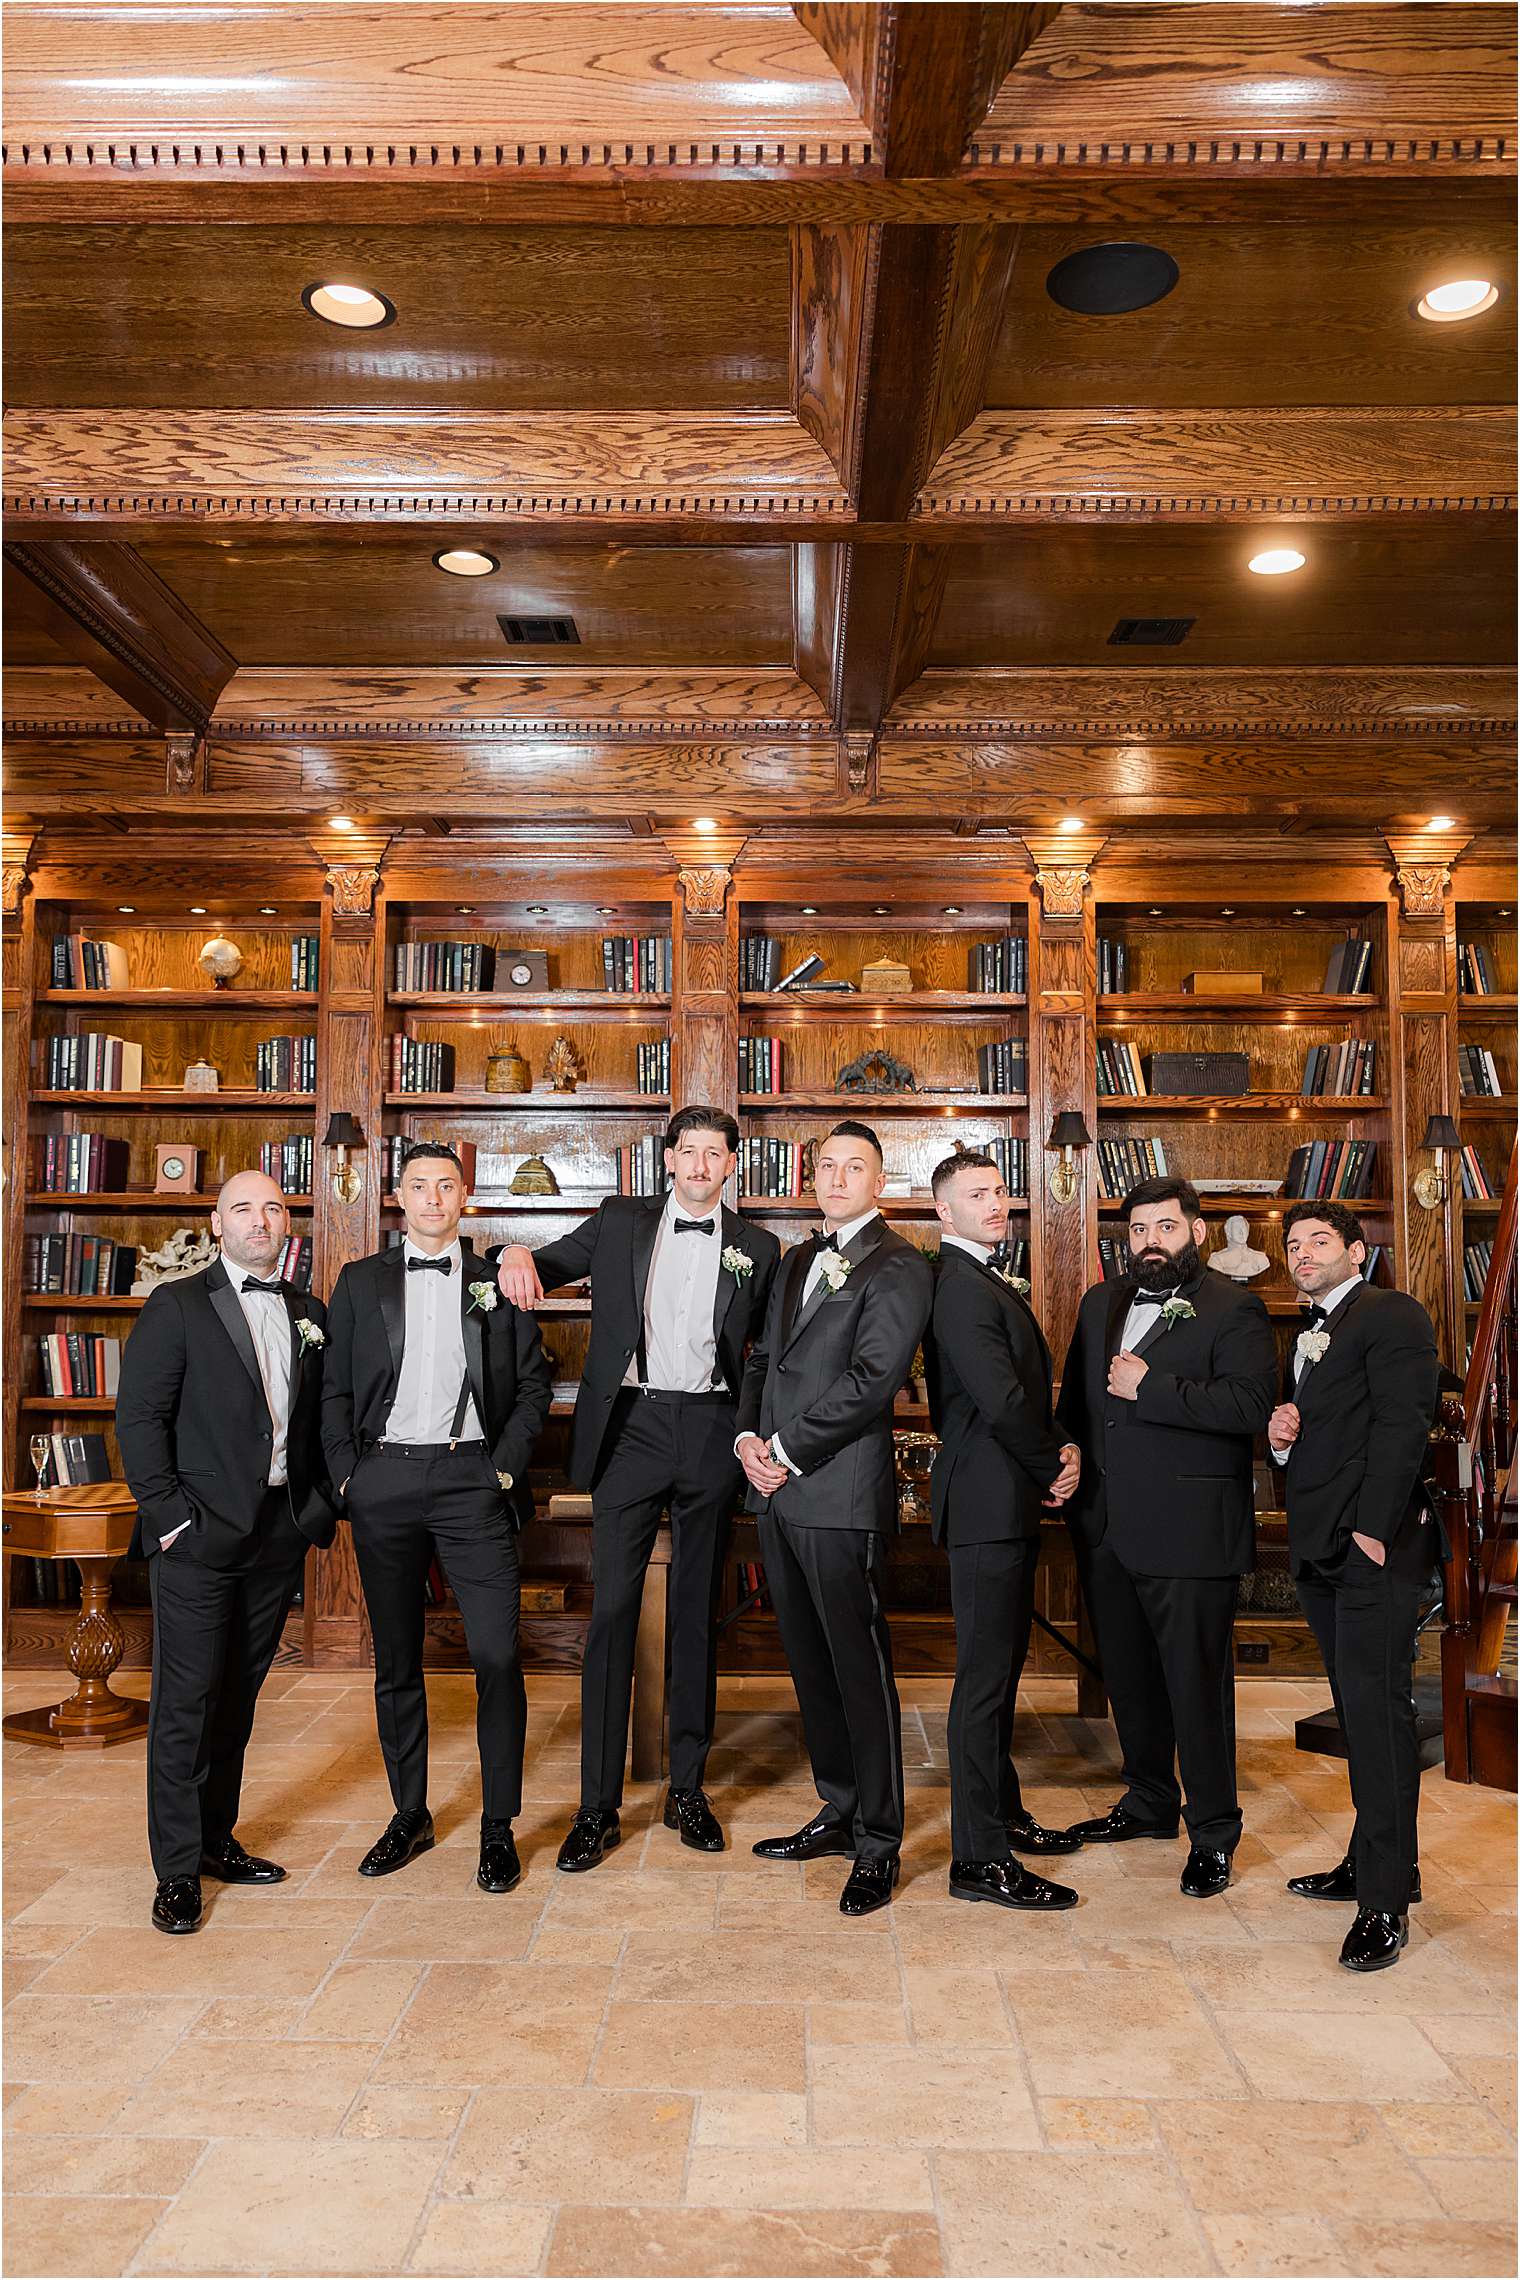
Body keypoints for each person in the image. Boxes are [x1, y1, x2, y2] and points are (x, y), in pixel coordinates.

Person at [494, 1106, 779, 1870]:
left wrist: (760, 1433)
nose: (698, 1166)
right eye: (687, 1152)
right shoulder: (620, 1220)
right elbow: (542, 1266)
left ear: (730, 1166)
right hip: (632, 1429)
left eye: (713, 1154)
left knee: (695, 1611)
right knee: (612, 1613)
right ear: (667, 1160)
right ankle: (597, 1805)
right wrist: (512, 1248)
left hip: (715, 1432)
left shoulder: (759, 1247)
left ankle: (688, 1788)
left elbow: (769, 1352)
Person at [322, 1141, 551, 1894]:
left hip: (470, 1478)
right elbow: (330, 1393)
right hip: (383, 1477)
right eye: (418, 1186)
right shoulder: (360, 1282)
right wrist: (350, 1477)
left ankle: (497, 1826)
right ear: (398, 1195)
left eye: (445, 1186)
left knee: (495, 1655)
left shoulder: (496, 1281)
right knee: (396, 1660)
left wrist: (502, 1470)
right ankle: (409, 1813)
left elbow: (530, 1387)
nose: (431, 1199)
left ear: (464, 1196)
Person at [116, 1170, 337, 1935]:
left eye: (273, 1207)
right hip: (198, 1537)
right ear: (218, 1224)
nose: (260, 1219)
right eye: (243, 1207)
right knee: (185, 1704)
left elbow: (317, 1421)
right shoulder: (176, 1306)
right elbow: (140, 1421)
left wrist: (319, 1504)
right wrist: (171, 1519)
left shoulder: (310, 1310)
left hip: (277, 1534)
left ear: (287, 1225)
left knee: (239, 1701)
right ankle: (177, 1872)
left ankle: (216, 1840)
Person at [1056, 1175, 1275, 1896]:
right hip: (1107, 1527)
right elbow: (1077, 1408)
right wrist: (1066, 1457)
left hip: (1191, 1531)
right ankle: (1149, 1800)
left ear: (1197, 1232)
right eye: (1139, 1231)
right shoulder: (1100, 1302)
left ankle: (1212, 1829)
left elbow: (1249, 1406)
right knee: (1130, 1677)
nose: (1151, 1243)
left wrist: (1150, 1387)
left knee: (1197, 1685)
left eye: (1166, 1229)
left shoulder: (1234, 1307)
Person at [736, 1120, 933, 1916]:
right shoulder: (790, 1260)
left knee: (859, 1667)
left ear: (879, 1182)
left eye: (856, 1166)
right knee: (810, 1663)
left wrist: (784, 1447)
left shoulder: (900, 1264)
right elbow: (760, 1361)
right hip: (776, 1492)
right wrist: (750, 1438)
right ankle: (841, 1807)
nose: (838, 1176)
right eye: (827, 1165)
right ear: (810, 1176)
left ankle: (880, 1844)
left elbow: (874, 1378)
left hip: (838, 1492)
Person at [1267, 1202, 1440, 1972]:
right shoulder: (1309, 1334)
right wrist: (1278, 1439)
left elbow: (1404, 1425)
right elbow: (1326, 1430)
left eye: (1319, 1242)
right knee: (1358, 1714)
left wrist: (1373, 1531)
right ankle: (1374, 1864)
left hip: (1371, 1549)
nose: (1304, 1254)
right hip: (1321, 1546)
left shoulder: (1390, 1312)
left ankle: (1384, 1905)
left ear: (1356, 1250)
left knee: (1377, 1716)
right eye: (1294, 1245)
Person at [923, 1150, 1082, 1912]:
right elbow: (1001, 1396)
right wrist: (1056, 1458)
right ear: (942, 1213)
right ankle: (978, 1859)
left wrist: (1057, 1454)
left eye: (1000, 1192)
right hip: (987, 1501)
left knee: (1003, 1670)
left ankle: (1004, 1814)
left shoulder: (984, 1276)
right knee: (983, 1683)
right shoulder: (956, 1285)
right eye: (976, 1195)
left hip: (1004, 1495)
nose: (997, 1205)